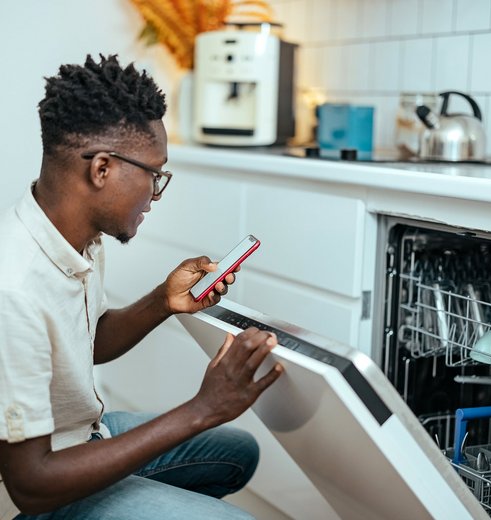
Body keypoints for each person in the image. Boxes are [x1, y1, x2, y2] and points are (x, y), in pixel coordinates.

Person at [0, 54, 283, 520]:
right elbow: (31, 485)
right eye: (154, 173)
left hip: (80, 437)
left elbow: (84, 344)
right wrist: (201, 409)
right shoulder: (15, 287)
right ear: (103, 169)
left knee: (236, 453)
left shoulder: (77, 235)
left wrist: (164, 301)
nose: (156, 192)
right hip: (38, 494)